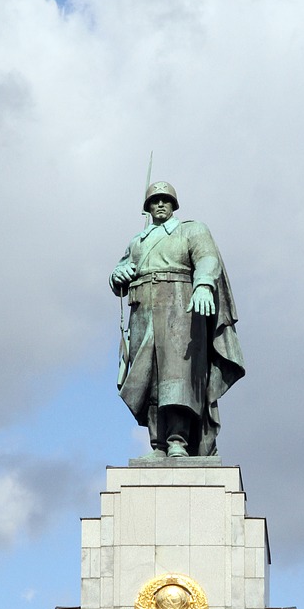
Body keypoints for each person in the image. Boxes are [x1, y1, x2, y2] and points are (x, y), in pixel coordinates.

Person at [110, 181, 245, 459]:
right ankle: (157, 444)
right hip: (143, 310)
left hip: (180, 307)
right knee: (148, 379)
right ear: (147, 207)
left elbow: (207, 259)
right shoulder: (138, 241)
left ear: (174, 205)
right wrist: (118, 274)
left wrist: (204, 284)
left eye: (166, 200)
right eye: (155, 201)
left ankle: (176, 442)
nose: (160, 204)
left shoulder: (192, 230)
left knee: (177, 377)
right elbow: (120, 270)